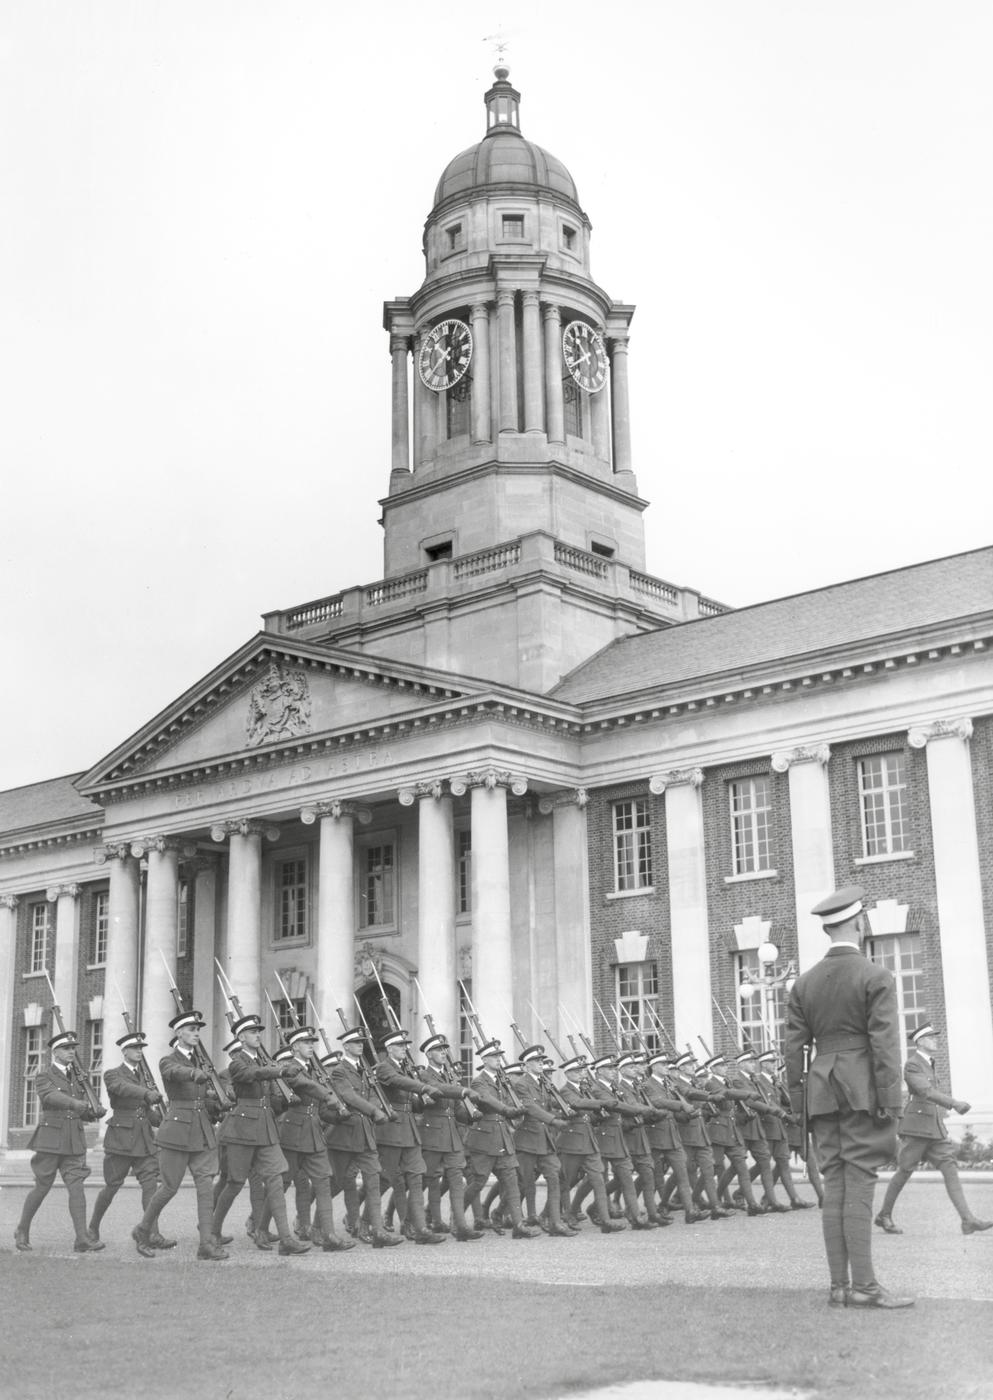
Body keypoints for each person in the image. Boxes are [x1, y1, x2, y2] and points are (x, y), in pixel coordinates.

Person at [785, 885, 913, 1310]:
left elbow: (793, 1052)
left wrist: (798, 1106)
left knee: (836, 1184)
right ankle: (866, 1287)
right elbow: (885, 1044)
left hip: (822, 1092)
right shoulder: (875, 976)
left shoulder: (804, 983)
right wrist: (890, 1100)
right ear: (859, 924)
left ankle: (840, 1286)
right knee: (858, 1184)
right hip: (862, 1090)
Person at [875, 1023, 992, 1237]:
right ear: (920, 1042)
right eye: (930, 1038)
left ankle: (968, 1220)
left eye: (934, 1037)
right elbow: (925, 1091)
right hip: (918, 1128)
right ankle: (884, 1214)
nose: (935, 1040)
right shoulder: (912, 1065)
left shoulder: (929, 1063)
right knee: (904, 1171)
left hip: (934, 1128)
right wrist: (954, 1103)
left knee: (949, 1167)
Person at [209, 1013, 310, 1256]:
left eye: (258, 1032)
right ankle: (212, 1231)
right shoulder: (238, 1062)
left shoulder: (263, 1062)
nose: (258, 1035)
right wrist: (278, 1070)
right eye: (253, 1032)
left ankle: (286, 1238)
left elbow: (270, 1099)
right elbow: (250, 1075)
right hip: (242, 1130)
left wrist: (286, 1101)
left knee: (276, 1179)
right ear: (241, 1037)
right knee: (234, 1183)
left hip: (265, 1128)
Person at [133, 1011, 227, 1260]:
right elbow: (175, 1072)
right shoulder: (169, 1060)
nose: (196, 1033)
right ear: (178, 1033)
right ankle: (143, 1231)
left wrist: (217, 1100)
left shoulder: (201, 1061)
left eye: (198, 1029)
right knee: (169, 1188)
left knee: (206, 1186)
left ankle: (206, 1244)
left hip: (202, 1131)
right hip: (176, 1130)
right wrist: (195, 1074)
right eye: (191, 1029)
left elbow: (203, 1096)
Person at [14, 1028, 106, 1252]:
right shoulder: (44, 1075)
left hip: (74, 1139)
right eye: (66, 1048)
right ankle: (22, 1228)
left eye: (73, 1048)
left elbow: (82, 1110)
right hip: (50, 1139)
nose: (71, 1052)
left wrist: (93, 1112)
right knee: (42, 1186)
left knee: (77, 1188)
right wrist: (77, 1105)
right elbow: (50, 1096)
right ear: (55, 1052)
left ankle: (82, 1238)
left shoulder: (78, 1078)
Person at [87, 1030, 172, 1250]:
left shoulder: (145, 1077)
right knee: (112, 1186)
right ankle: (93, 1227)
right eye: (134, 1048)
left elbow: (146, 1112)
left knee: (151, 1187)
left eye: (141, 1048)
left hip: (144, 1139)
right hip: (122, 1138)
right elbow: (121, 1089)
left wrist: (164, 1119)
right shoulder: (113, 1074)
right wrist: (146, 1093)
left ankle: (152, 1233)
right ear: (124, 1051)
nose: (138, 1051)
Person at [327, 1026, 403, 1247]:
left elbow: (373, 1095)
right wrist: (374, 1110)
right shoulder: (339, 1070)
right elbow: (348, 1095)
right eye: (356, 1042)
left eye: (362, 1042)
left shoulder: (367, 1070)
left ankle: (377, 1230)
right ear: (346, 1046)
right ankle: (316, 1226)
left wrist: (384, 1109)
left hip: (365, 1134)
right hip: (344, 1134)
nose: (360, 1045)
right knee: (339, 1183)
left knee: (374, 1179)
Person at [375, 1028, 445, 1244]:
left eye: (406, 1045)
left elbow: (410, 1103)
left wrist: (423, 1101)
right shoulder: (383, 1068)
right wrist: (424, 1088)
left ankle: (420, 1229)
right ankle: (367, 1221)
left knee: (416, 1178)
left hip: (409, 1132)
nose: (405, 1049)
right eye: (400, 1046)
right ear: (389, 1049)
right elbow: (398, 1083)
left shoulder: (406, 1070)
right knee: (383, 1180)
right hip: (390, 1130)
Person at [462, 1040, 538, 1238]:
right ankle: (457, 1218)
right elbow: (487, 1099)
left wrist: (518, 1108)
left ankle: (518, 1226)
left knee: (512, 1181)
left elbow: (514, 1098)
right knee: (478, 1181)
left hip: (503, 1136)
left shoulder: (503, 1080)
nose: (498, 1059)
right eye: (494, 1057)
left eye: (499, 1056)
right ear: (485, 1060)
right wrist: (508, 1110)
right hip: (485, 1137)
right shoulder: (479, 1081)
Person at [417, 1032, 483, 1241]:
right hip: (432, 1135)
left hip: (452, 1136)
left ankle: (461, 1226)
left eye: (445, 1049)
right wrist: (462, 1090)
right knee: (423, 1180)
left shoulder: (448, 1076)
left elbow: (457, 1111)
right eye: (438, 1050)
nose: (443, 1053)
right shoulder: (424, 1075)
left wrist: (472, 1116)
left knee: (456, 1180)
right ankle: (413, 1221)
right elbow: (440, 1090)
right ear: (428, 1055)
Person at [513, 1043, 575, 1236]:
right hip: (528, 1139)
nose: (541, 1064)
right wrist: (554, 1120)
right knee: (526, 1183)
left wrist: (567, 1108)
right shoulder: (521, 1084)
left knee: (554, 1177)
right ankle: (522, 1219)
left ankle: (555, 1223)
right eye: (536, 1061)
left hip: (545, 1140)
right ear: (526, 1065)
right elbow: (531, 1108)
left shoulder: (544, 1083)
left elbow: (551, 1103)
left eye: (541, 1060)